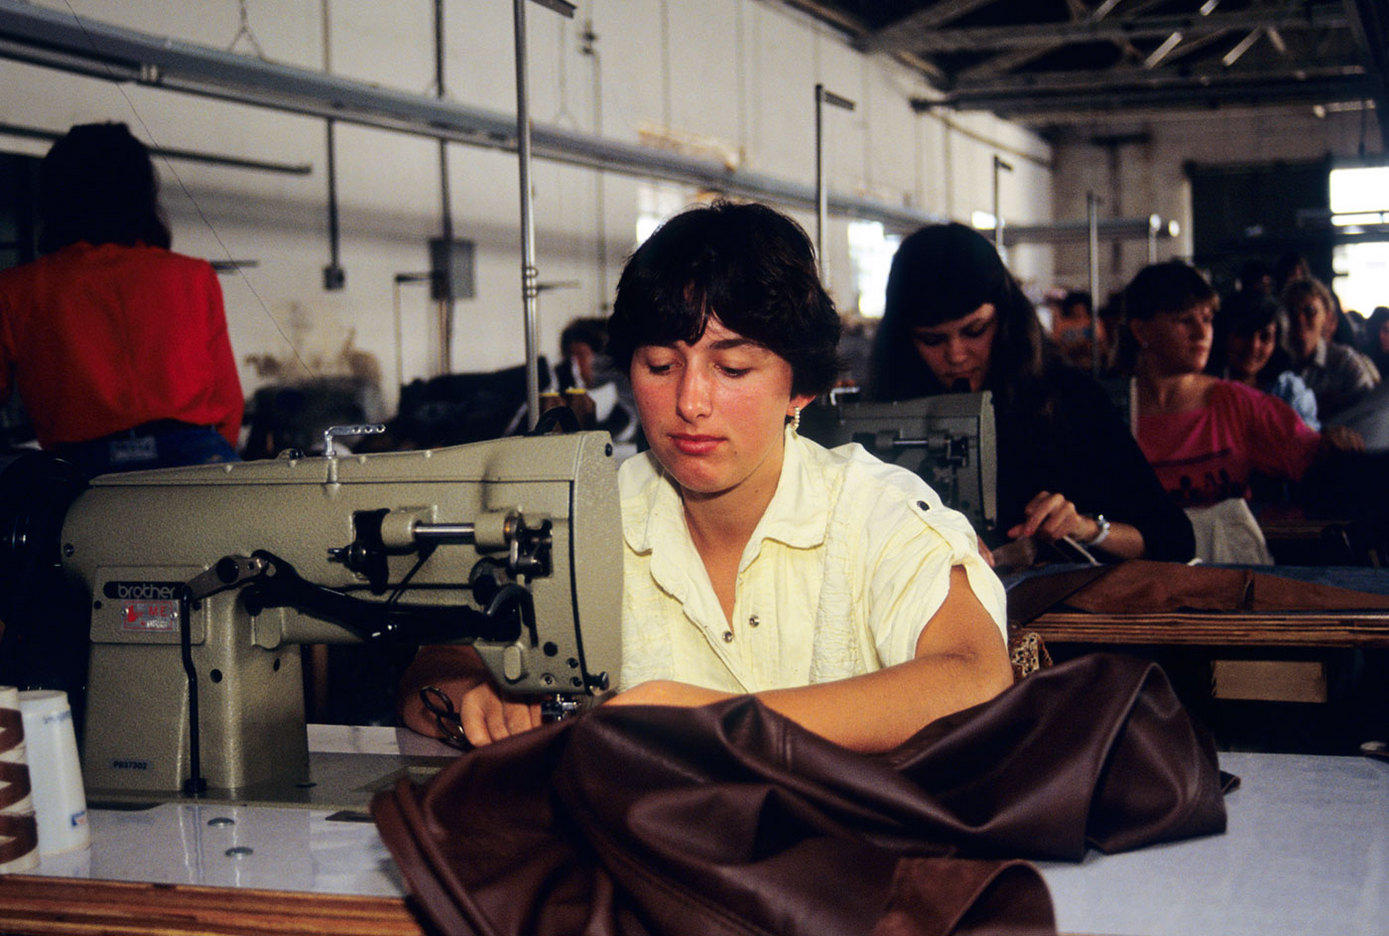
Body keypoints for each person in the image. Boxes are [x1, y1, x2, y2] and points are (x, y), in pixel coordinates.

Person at [400, 201, 1012, 752]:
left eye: (735, 368)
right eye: (661, 364)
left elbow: (973, 677)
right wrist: (473, 695)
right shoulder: (583, 516)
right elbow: (435, 665)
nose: (691, 401)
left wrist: (719, 721)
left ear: (800, 386)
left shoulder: (876, 511)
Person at [867, 222, 1194, 566]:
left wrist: (1085, 528)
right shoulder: (876, 418)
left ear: (1006, 318)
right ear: (904, 340)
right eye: (932, 340)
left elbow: (1173, 540)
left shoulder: (1072, 400)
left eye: (975, 330)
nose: (957, 355)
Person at [0, 122, 242, 476]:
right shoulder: (193, 275)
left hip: (82, 474)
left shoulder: (16, 288)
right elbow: (228, 402)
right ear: (143, 195)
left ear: (54, 198)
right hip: (195, 457)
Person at [1124, 261, 1359, 564]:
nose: (1202, 333)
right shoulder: (1111, 411)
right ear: (1141, 329)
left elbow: (1319, 465)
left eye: (1207, 319)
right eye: (1184, 320)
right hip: (1140, 581)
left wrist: (1334, 444)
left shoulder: (1238, 404)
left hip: (1228, 577)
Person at [1213, 289, 1319, 430]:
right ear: (1225, 334)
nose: (1254, 346)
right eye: (1244, 333)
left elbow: (1307, 440)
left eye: (1265, 337)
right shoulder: (1204, 385)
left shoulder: (1288, 389)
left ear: (1276, 343)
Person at [1283, 277, 1379, 422]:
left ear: (1327, 319)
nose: (1300, 320)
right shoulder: (1275, 360)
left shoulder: (1344, 361)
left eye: (1310, 311)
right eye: (1292, 312)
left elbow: (1370, 414)